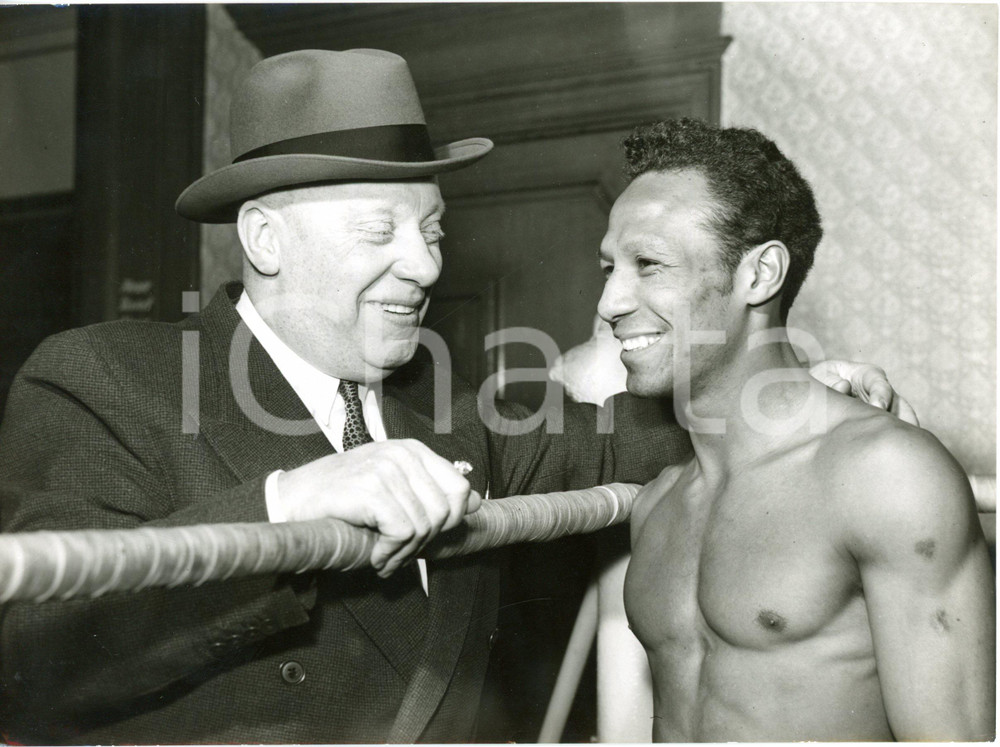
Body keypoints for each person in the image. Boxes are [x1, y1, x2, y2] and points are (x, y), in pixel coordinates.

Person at [0, 51, 902, 744]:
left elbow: (629, 443)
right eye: (381, 230)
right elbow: (30, 653)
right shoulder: (105, 378)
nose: (426, 265)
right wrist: (285, 508)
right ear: (266, 239)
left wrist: (785, 398)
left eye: (433, 228)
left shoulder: (441, 402)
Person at [600, 119, 995, 741]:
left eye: (648, 264)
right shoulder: (659, 503)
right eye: (609, 268)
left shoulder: (884, 474)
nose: (610, 301)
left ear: (759, 276)